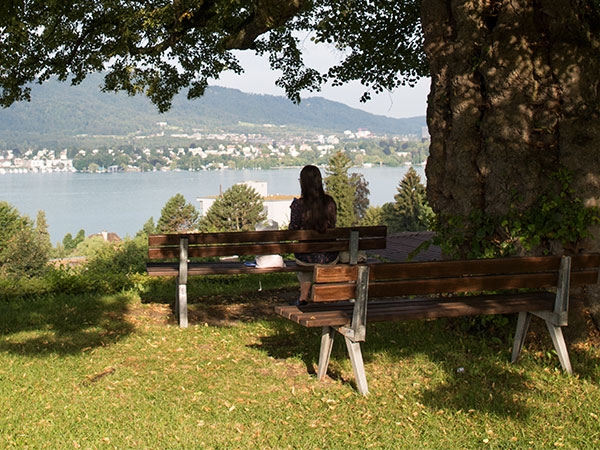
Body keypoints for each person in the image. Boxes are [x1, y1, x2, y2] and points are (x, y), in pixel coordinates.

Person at [288, 165, 338, 305]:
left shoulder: (298, 205)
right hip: (330, 256)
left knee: (306, 259)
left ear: (302, 183)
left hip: (306, 256)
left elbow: (293, 230)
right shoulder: (329, 202)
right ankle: (322, 296)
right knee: (315, 256)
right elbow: (332, 226)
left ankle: (303, 297)